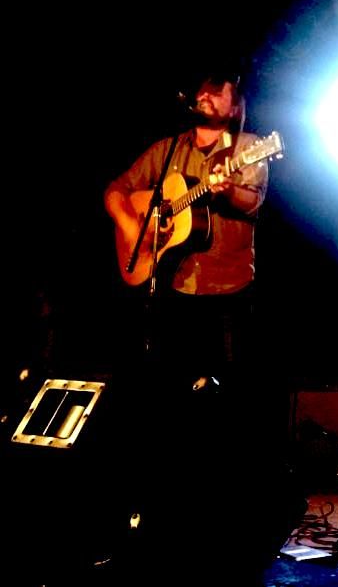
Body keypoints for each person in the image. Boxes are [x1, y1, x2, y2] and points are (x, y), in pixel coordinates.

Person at [103, 63, 292, 584]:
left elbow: (252, 204)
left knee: (229, 411)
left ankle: (229, 524)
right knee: (169, 406)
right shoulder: (168, 151)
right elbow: (116, 190)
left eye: (217, 90)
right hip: (177, 288)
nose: (206, 96)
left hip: (229, 292)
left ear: (235, 102)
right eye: (202, 90)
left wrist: (224, 189)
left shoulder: (250, 147)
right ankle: (168, 518)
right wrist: (135, 226)